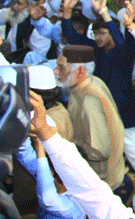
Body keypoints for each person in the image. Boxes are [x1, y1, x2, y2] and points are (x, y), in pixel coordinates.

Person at [54, 44, 127, 189]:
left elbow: (100, 150)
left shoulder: (89, 102)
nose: (56, 71)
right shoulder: (92, 81)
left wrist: (67, 147)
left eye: (61, 67)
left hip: (102, 178)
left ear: (80, 71)